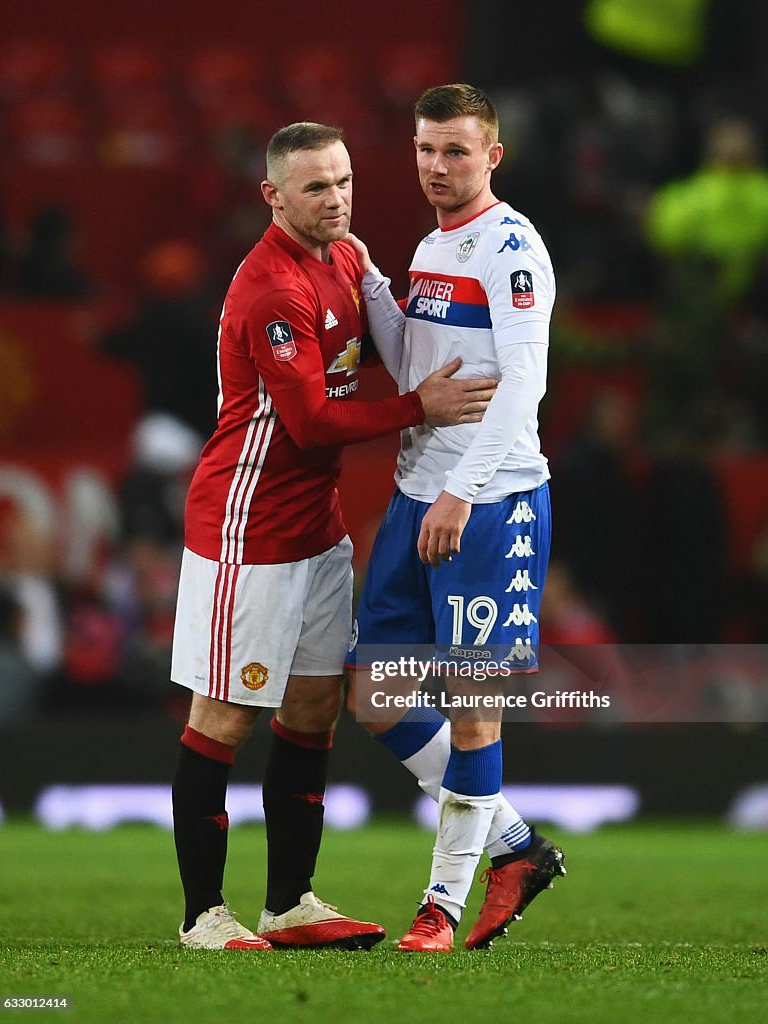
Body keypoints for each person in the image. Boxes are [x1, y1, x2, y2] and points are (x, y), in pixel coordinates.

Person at [170, 121, 496, 951]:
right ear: (272, 196)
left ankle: (289, 904)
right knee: (225, 714)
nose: (336, 199)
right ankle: (203, 914)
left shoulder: (346, 258)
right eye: (316, 187)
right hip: (250, 529)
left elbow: (386, 343)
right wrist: (417, 408)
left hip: (314, 527)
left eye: (344, 181)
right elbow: (312, 422)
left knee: (314, 710)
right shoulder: (269, 289)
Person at [344, 84, 565, 952]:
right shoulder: (436, 244)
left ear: (492, 157)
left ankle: (438, 908)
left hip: (490, 498)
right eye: (426, 150)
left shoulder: (511, 247)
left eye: (456, 152)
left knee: (473, 711)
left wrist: (463, 491)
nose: (438, 167)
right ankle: (516, 846)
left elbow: (524, 383)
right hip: (415, 494)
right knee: (374, 697)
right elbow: (412, 368)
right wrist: (367, 281)